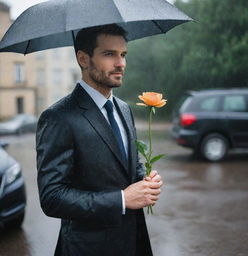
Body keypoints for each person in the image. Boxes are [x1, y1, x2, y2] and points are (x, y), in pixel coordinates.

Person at [36, 24, 163, 256]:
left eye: (123, 54)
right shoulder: (58, 117)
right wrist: (122, 199)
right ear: (83, 59)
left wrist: (146, 181)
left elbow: (129, 166)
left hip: (134, 242)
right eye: (109, 54)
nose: (120, 63)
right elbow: (52, 197)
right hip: (88, 248)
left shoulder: (124, 109)